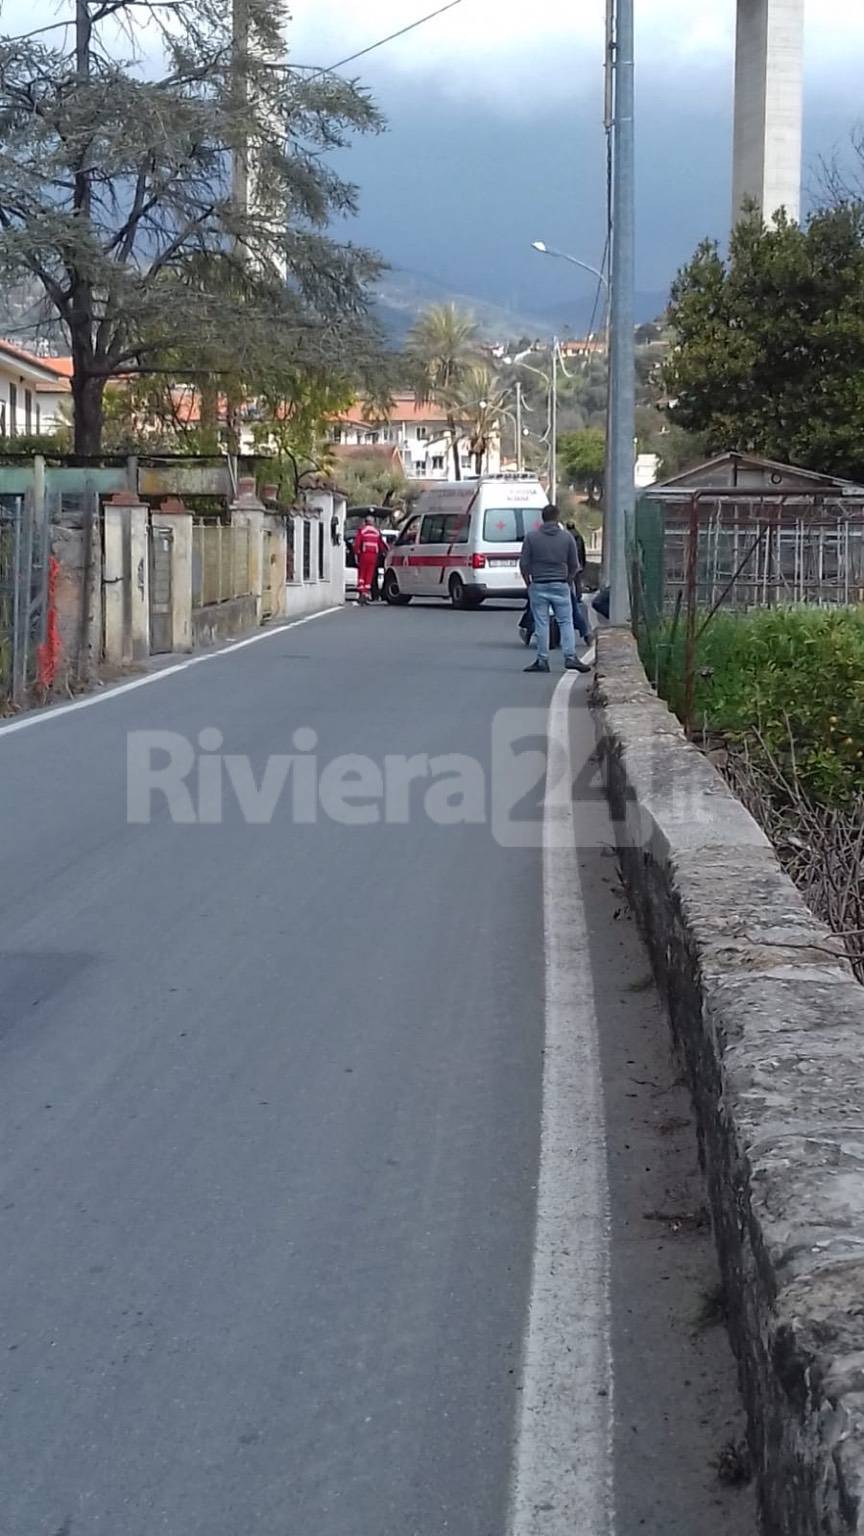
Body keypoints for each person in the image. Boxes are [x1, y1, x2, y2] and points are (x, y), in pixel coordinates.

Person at [519, 505, 591, 674]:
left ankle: (542, 659)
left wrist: (528, 583)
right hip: (560, 584)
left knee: (541, 622)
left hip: (538, 584)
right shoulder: (567, 538)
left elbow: (523, 564)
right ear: (557, 518)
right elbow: (574, 565)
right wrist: (568, 581)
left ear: (542, 518)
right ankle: (570, 657)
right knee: (566, 621)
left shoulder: (531, 537)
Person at [353, 520, 387, 606]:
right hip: (373, 556)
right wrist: (384, 553)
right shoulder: (377, 532)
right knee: (369, 576)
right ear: (373, 523)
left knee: (362, 576)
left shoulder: (362, 531)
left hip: (364, 555)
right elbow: (381, 545)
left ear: (365, 522)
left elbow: (357, 544)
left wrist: (356, 553)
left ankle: (361, 594)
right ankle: (366, 594)